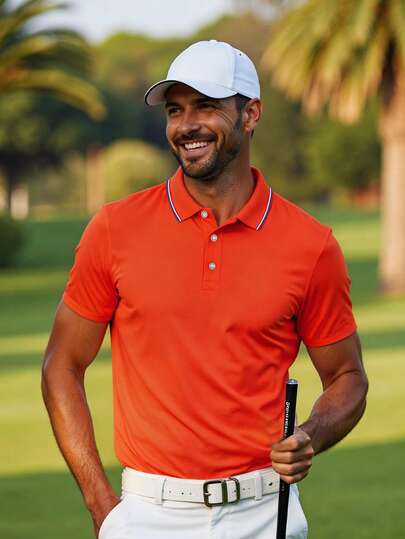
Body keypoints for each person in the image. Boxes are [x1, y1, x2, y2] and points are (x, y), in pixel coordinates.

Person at [42, 40, 368, 539]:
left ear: (251, 114)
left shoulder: (311, 245)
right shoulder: (114, 229)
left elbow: (347, 376)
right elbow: (61, 365)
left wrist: (310, 434)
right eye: (175, 110)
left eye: (205, 106)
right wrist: (101, 505)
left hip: (265, 513)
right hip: (148, 516)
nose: (186, 125)